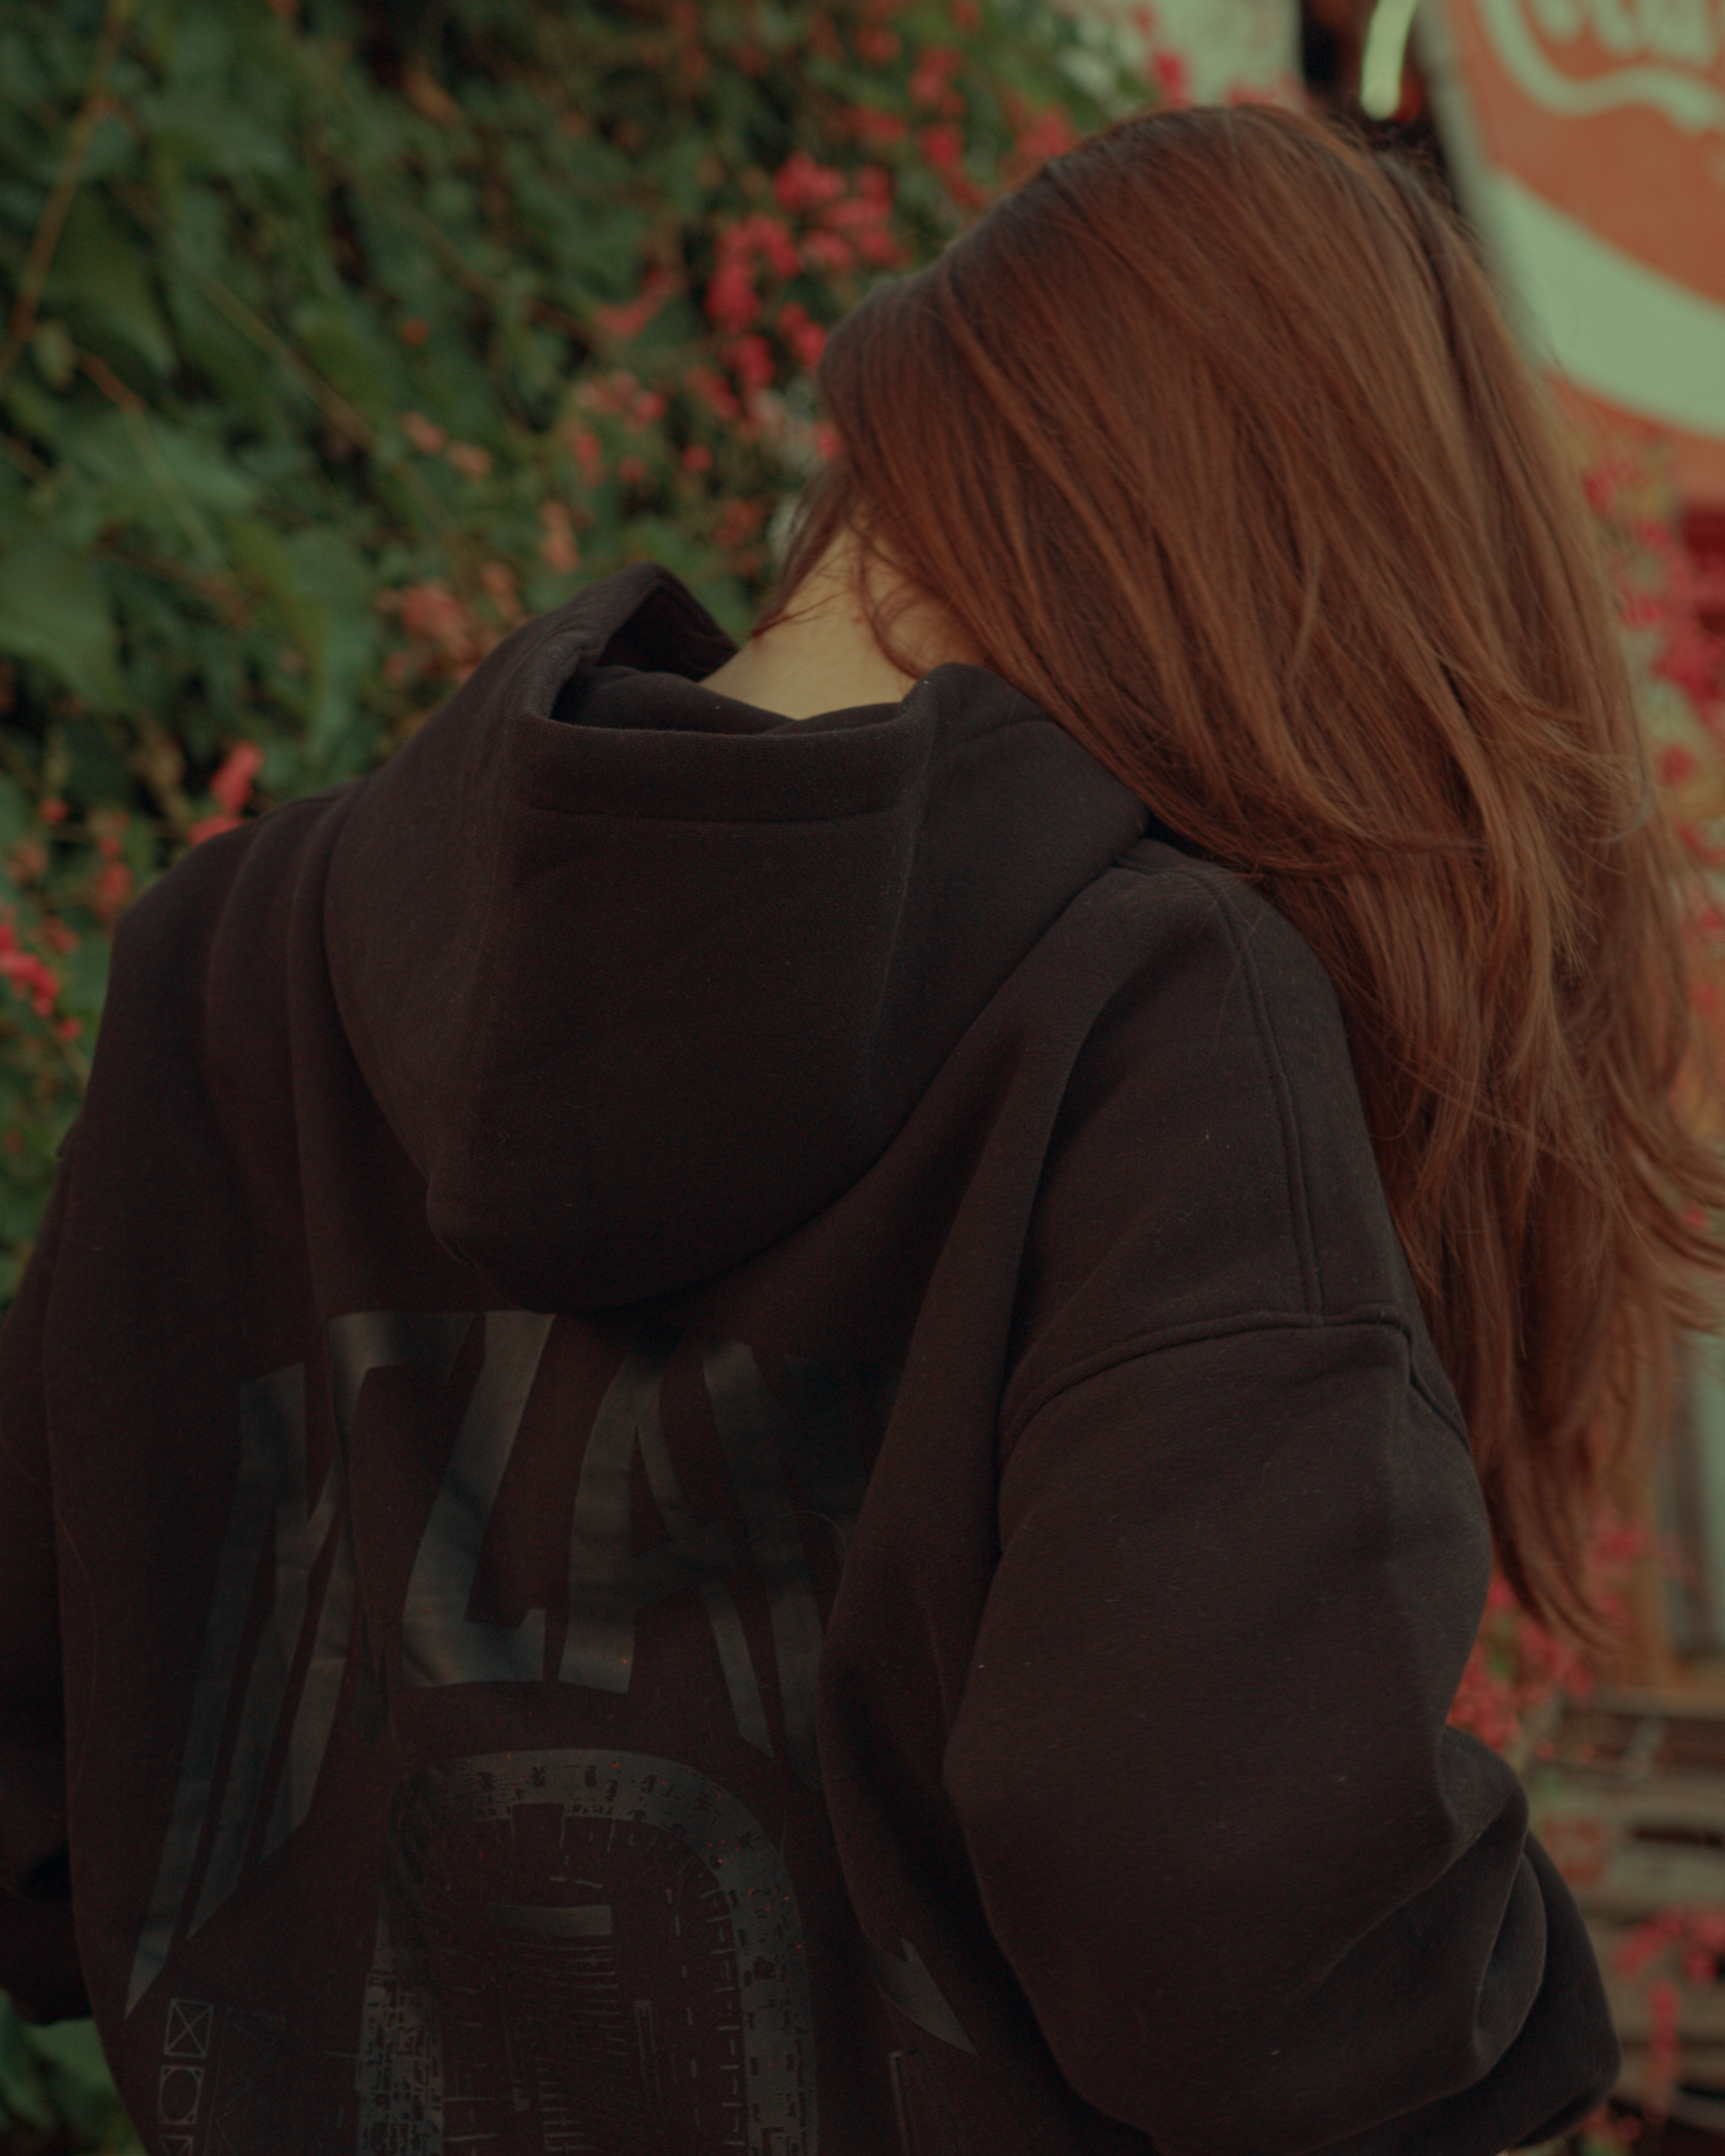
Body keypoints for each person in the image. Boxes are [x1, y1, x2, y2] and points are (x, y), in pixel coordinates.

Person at [2, 95, 1721, 2156]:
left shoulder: (236, 964)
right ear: (1311, 579)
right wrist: (1518, 2018)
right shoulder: (1146, 1013)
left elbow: (40, 1806)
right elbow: (1234, 1911)